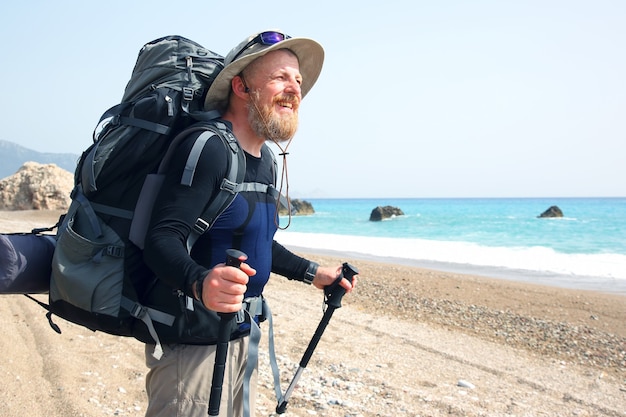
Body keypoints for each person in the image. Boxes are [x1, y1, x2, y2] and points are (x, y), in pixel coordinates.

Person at [141, 30, 357, 417]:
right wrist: (200, 281)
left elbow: (255, 241)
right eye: (280, 77)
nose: (294, 88)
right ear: (240, 87)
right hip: (194, 343)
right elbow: (162, 238)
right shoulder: (207, 147)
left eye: (298, 81)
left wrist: (314, 273)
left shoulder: (265, 159)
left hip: (243, 332)